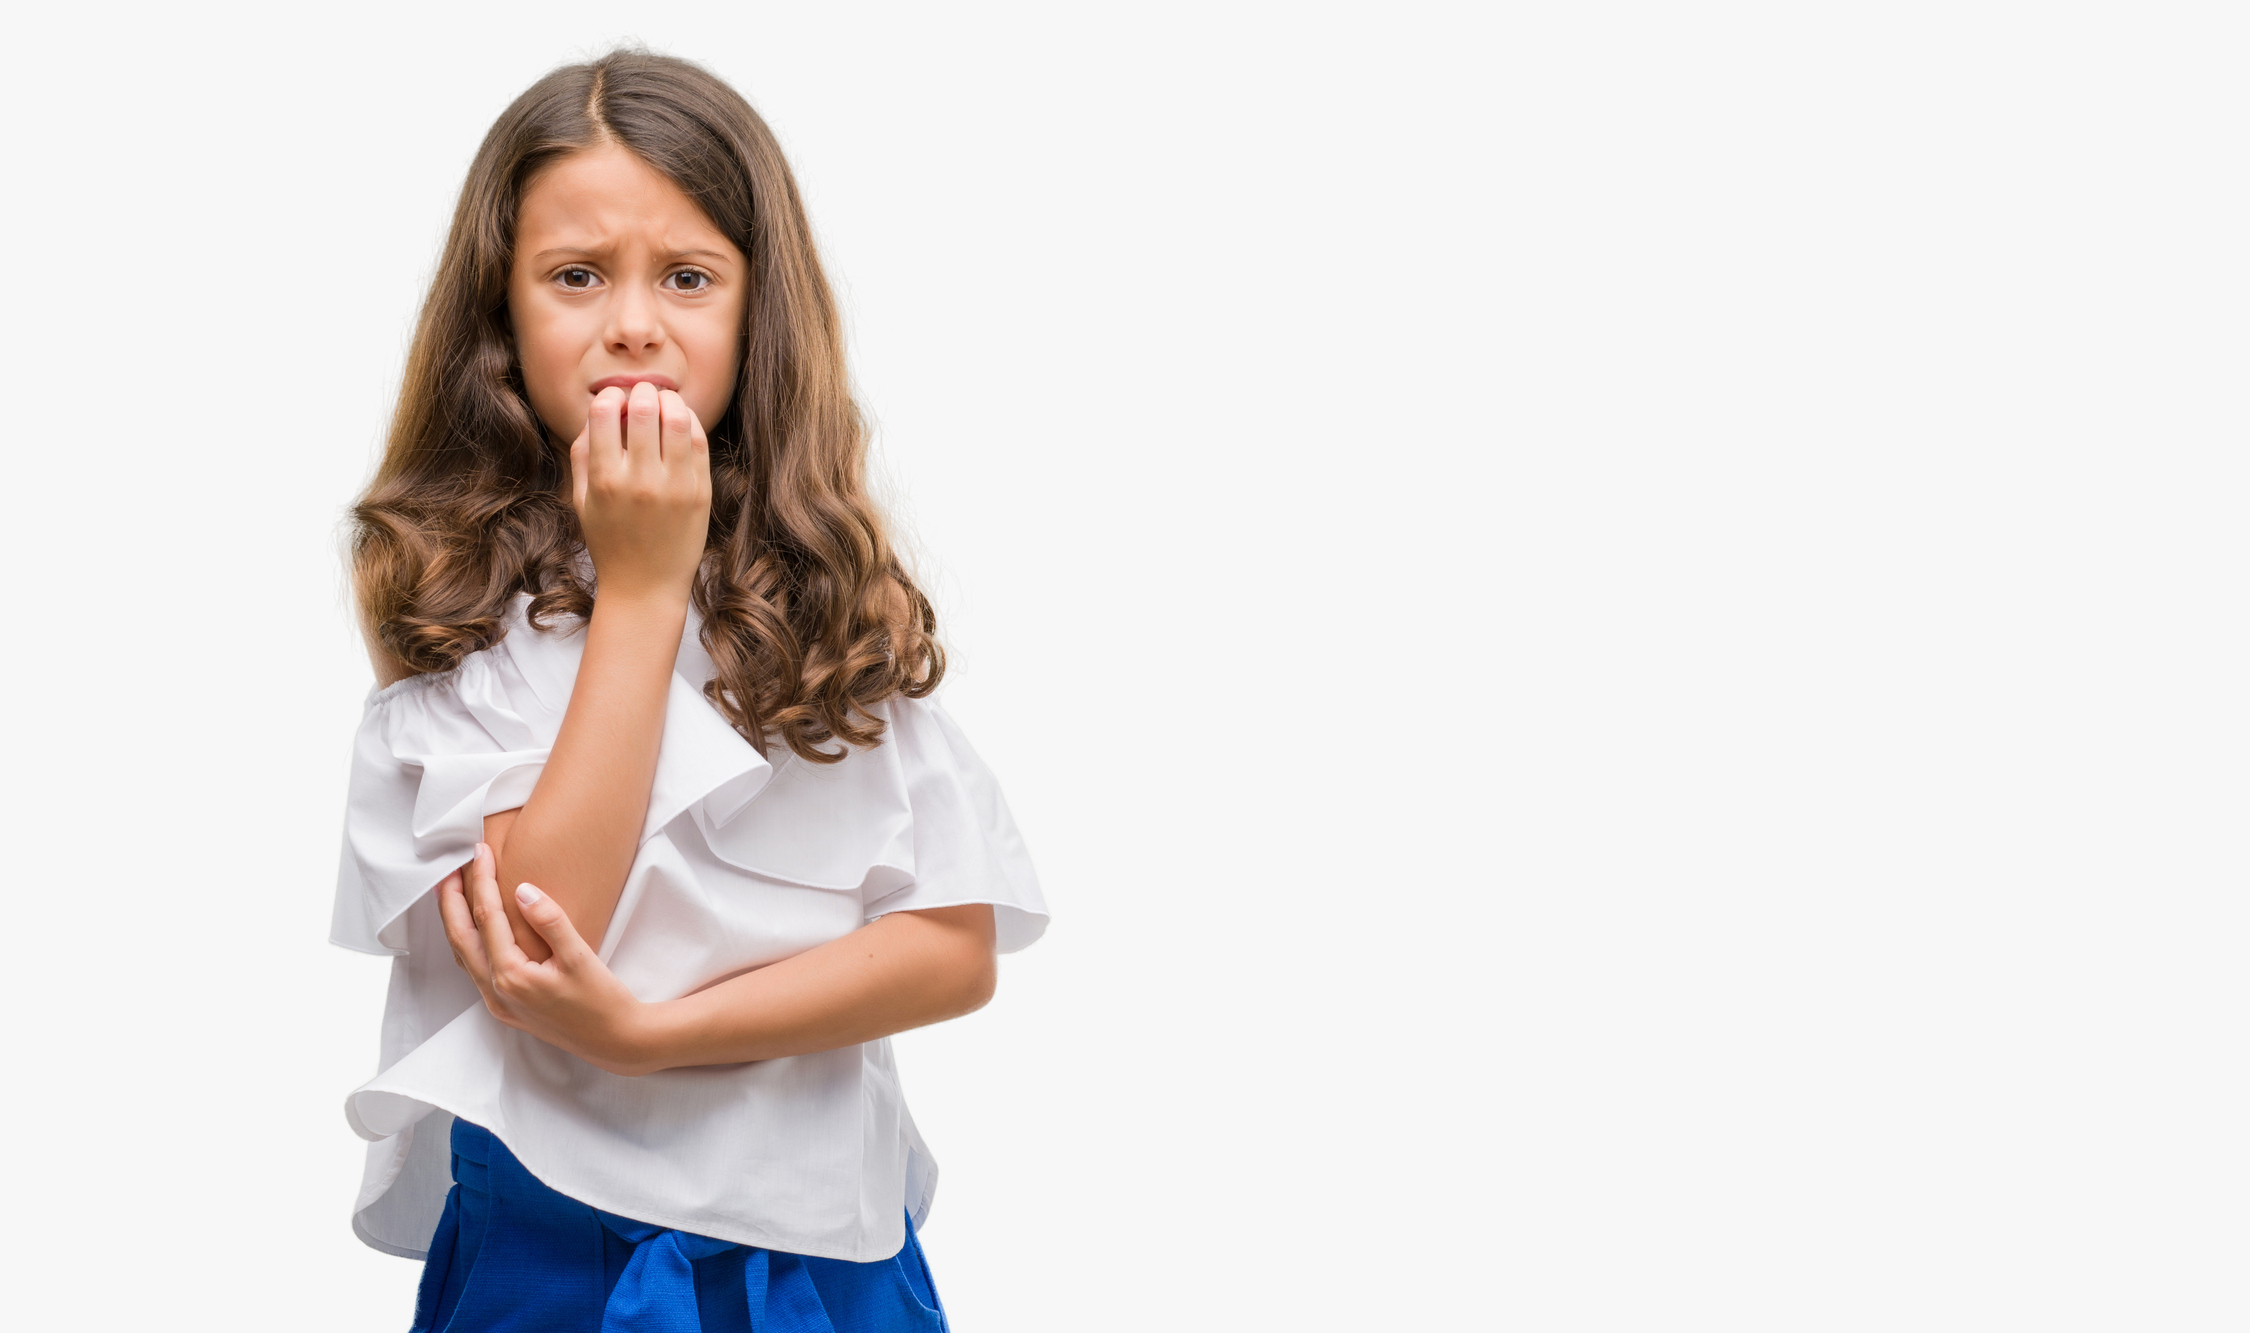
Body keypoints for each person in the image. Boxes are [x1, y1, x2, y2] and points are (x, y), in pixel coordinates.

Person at [330, 48, 1048, 1333]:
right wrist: (641, 594)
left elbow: (950, 943)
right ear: (500, 321)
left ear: (755, 315)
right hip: (554, 1253)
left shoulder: (824, 611)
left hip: (821, 1263)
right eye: (574, 276)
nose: (633, 323)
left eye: (688, 277)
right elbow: (544, 924)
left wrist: (653, 1038)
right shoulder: (460, 624)